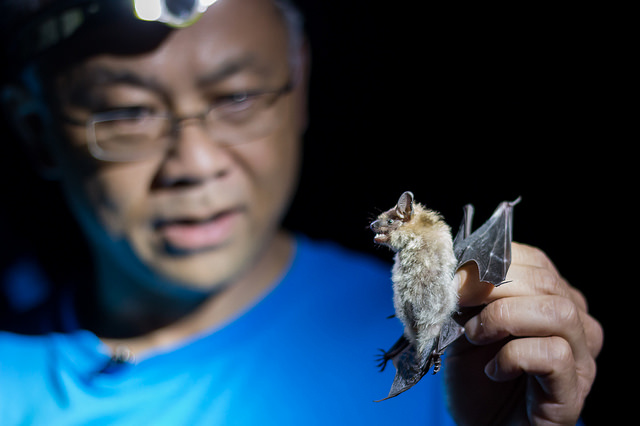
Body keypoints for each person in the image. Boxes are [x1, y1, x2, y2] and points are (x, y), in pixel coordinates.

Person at [0, 0, 602, 424]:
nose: (195, 161)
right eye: (128, 114)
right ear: (37, 132)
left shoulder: (461, 353)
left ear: (300, 81)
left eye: (238, 98)